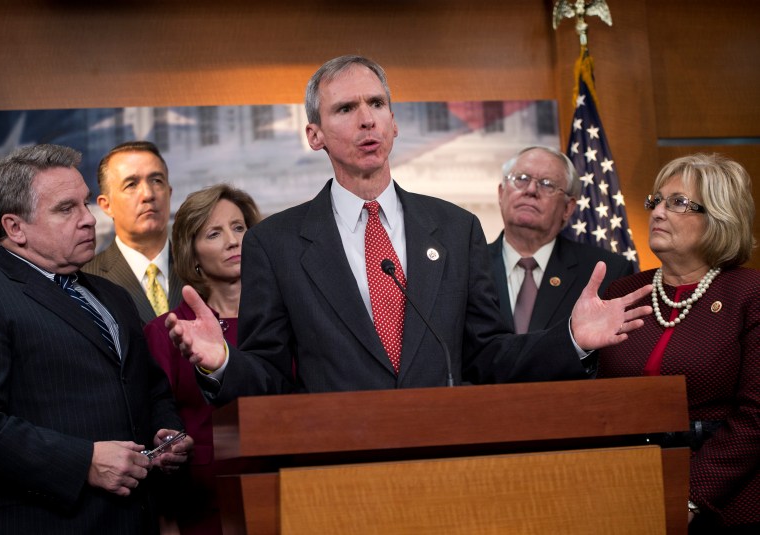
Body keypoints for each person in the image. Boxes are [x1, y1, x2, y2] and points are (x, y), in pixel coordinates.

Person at [166, 54, 652, 404]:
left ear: (394, 123)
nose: (366, 120)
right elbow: (269, 375)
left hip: (446, 459)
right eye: (344, 109)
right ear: (314, 134)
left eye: (376, 104)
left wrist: (569, 337)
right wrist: (224, 361)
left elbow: (487, 357)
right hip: (335, 468)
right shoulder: (275, 244)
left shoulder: (456, 228)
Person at [0, 144, 194, 534]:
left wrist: (164, 431)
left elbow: (150, 388)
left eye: (85, 204)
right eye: (66, 209)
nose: (88, 220)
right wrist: (83, 462)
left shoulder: (112, 294)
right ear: (15, 228)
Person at [596, 154, 759, 533]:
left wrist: (688, 496)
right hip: (628, 492)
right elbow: (597, 400)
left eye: (678, 203)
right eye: (656, 201)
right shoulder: (624, 293)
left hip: (725, 504)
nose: (657, 212)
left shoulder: (749, 293)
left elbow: (756, 417)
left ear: (719, 216)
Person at [144, 184, 261, 535]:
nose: (232, 240)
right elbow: (157, 423)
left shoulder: (288, 319)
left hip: (288, 494)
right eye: (214, 233)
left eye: (239, 228)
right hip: (204, 508)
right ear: (191, 253)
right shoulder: (165, 332)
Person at [489, 146, 633, 333]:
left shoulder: (608, 272)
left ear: (568, 208)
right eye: (521, 179)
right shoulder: (466, 266)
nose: (531, 190)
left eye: (547, 184)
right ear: (501, 194)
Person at [83, 141, 183, 324]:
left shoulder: (201, 267)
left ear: (169, 193)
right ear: (106, 205)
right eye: (131, 184)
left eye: (156, 181)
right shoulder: (86, 281)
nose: (148, 194)